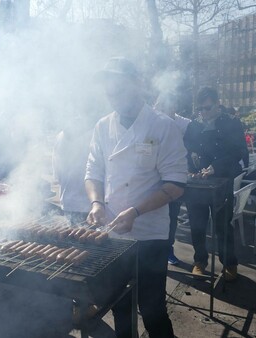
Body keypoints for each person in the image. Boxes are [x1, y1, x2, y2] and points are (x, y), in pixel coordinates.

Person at [86, 57, 187, 338]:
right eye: (109, 88)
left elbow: (176, 184)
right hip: (113, 236)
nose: (112, 93)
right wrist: (96, 203)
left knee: (153, 308)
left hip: (150, 235)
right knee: (121, 306)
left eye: (118, 86)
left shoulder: (162, 126)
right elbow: (92, 171)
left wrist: (135, 212)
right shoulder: (102, 126)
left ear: (138, 84)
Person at [183, 87, 248, 281]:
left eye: (207, 108)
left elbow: (239, 152)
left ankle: (229, 263)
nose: (203, 113)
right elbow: (186, 148)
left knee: (223, 225)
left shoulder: (232, 123)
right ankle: (199, 261)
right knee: (197, 224)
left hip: (222, 182)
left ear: (218, 104)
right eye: (200, 109)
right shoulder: (194, 126)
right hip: (197, 184)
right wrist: (190, 161)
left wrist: (215, 167)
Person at [155, 93, 192, 266]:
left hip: (173, 178)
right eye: (159, 105)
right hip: (152, 179)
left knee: (171, 215)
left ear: (174, 108)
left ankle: (168, 250)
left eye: (166, 106)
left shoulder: (184, 124)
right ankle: (154, 251)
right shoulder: (149, 121)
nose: (161, 109)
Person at [53, 116, 93, 225]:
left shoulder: (59, 137)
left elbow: (57, 175)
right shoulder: (93, 136)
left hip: (71, 203)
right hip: (88, 205)